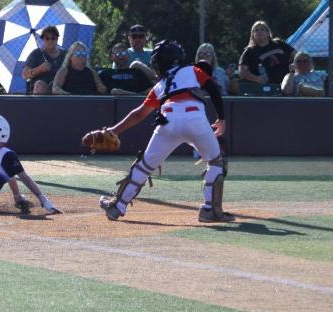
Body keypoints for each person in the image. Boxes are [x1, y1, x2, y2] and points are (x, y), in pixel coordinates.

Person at [98, 40, 235, 223]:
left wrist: (115, 130)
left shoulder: (160, 85)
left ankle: (118, 205)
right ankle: (210, 210)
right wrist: (221, 119)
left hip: (167, 121)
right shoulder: (193, 71)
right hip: (195, 119)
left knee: (144, 165)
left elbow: (139, 114)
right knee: (216, 161)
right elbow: (213, 89)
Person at [238, 20, 294, 85]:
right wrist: (257, 78)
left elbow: (296, 55)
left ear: (268, 33)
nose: (259, 31)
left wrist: (294, 64)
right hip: (264, 87)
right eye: (256, 30)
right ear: (253, 35)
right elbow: (242, 72)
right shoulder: (249, 51)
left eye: (262, 29)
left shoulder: (279, 43)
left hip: (287, 84)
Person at [22, 25, 66, 95]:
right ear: (43, 39)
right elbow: (25, 75)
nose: (50, 41)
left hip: (61, 87)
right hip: (41, 90)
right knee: (40, 85)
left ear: (57, 39)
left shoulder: (65, 54)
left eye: (53, 38)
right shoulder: (36, 54)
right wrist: (39, 69)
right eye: (47, 38)